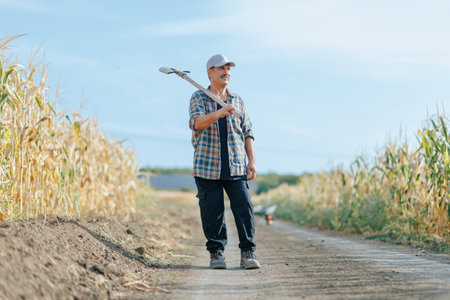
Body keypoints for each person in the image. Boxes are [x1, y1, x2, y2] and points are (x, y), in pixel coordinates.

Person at [188, 54, 260, 270]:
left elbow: (248, 132)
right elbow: (197, 123)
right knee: (212, 213)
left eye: (229, 68)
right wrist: (220, 112)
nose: (226, 72)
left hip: (236, 165)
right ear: (209, 72)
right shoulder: (198, 97)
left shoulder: (237, 100)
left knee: (245, 208)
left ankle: (248, 252)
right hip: (207, 167)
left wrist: (252, 161)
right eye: (221, 68)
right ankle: (216, 253)